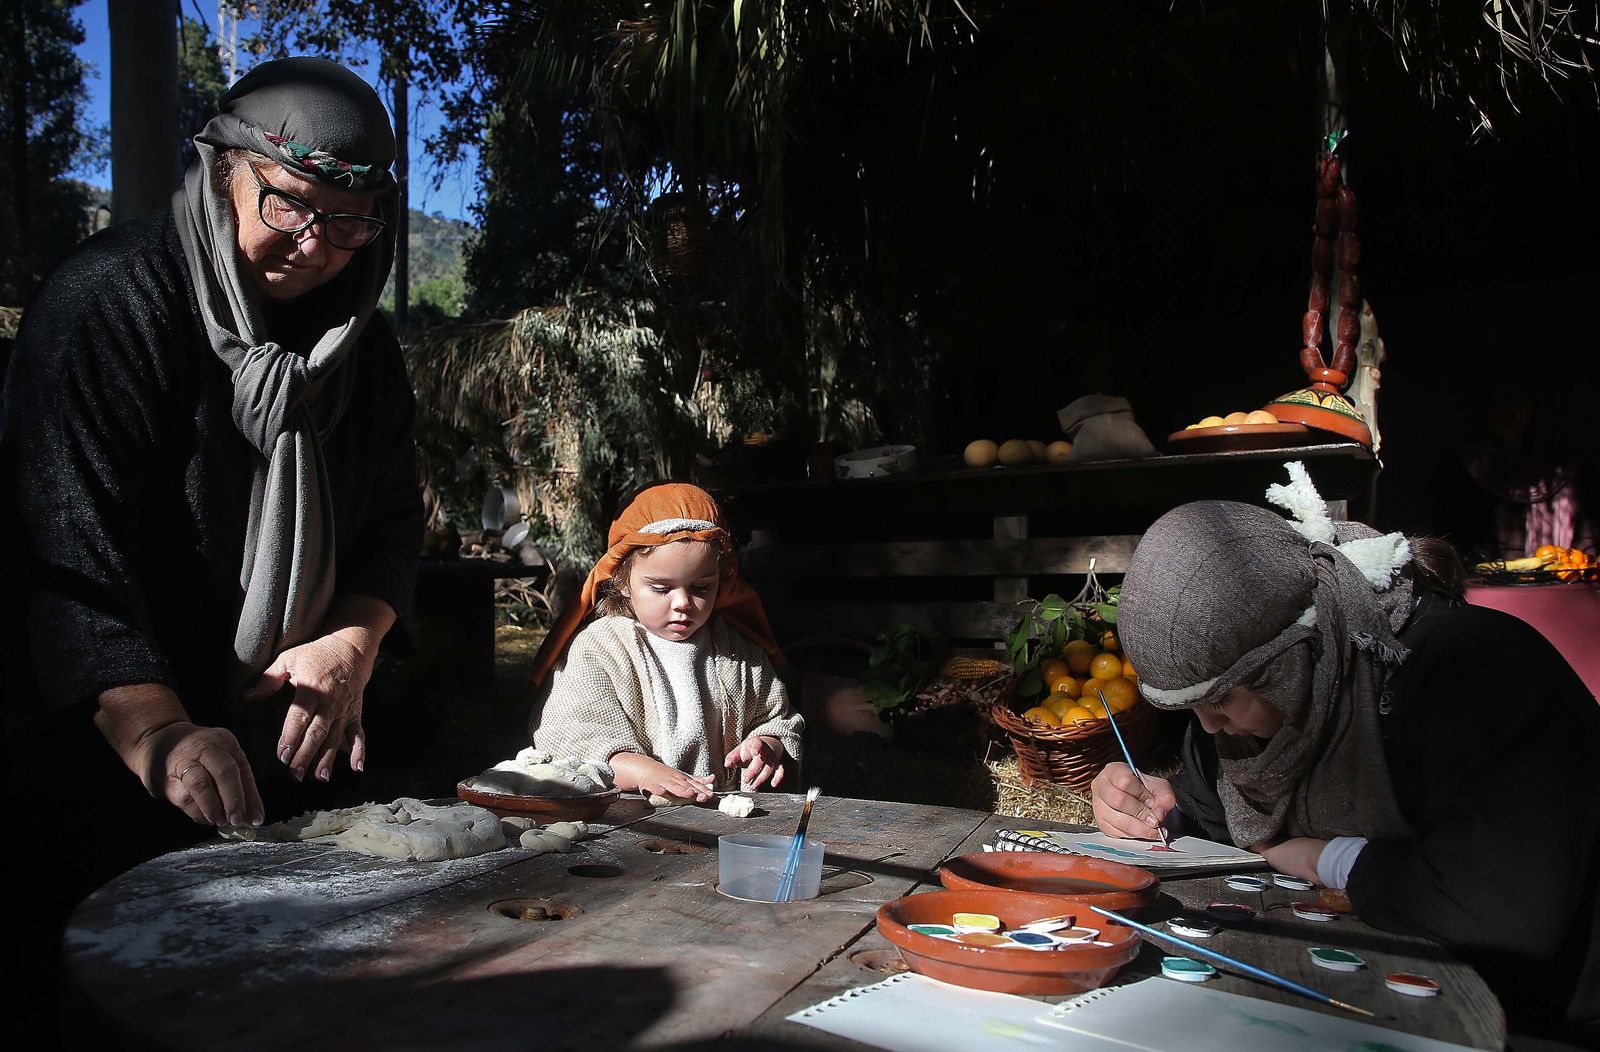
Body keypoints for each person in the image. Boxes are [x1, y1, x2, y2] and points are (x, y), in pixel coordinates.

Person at [1, 56, 420, 966]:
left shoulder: (363, 344)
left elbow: (393, 521)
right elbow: (65, 547)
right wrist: (158, 732)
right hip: (108, 753)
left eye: (350, 220)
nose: (316, 245)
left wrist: (350, 643)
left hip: (291, 746)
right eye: (288, 204)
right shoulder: (109, 300)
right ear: (223, 170)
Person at [1089, 462, 1599, 1042]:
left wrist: (1330, 860)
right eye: (1191, 708)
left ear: (1289, 662)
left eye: (1222, 698)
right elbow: (1219, 809)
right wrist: (1161, 803)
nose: (1207, 729)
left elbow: (1498, 916)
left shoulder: (1479, 677)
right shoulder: (1242, 723)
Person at [530, 483, 803, 801]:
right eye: (661, 588)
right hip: (632, 822)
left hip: (724, 822)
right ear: (623, 582)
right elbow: (575, 734)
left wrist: (766, 744)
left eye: (701, 587)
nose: (683, 603)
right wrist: (642, 771)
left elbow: (776, 717)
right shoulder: (599, 649)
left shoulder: (738, 651)